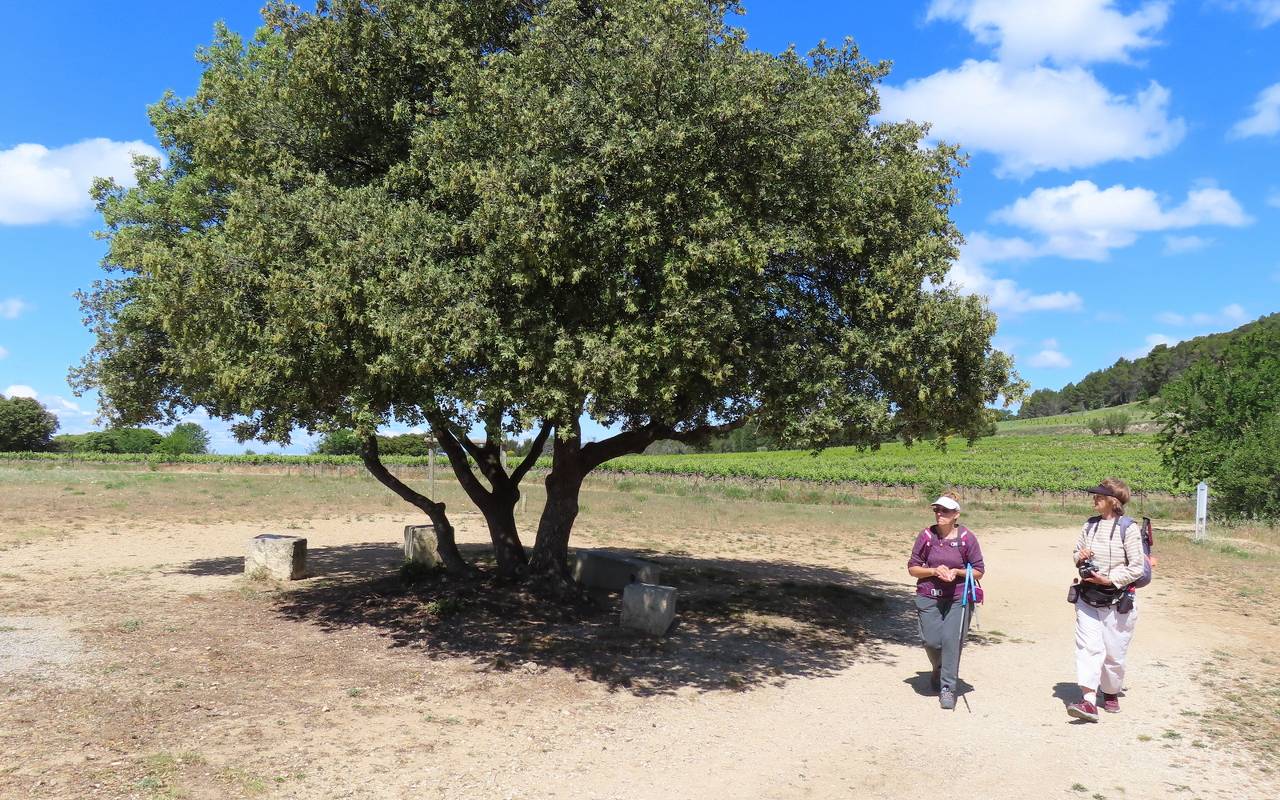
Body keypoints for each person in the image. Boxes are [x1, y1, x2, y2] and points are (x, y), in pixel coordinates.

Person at [1066, 478, 1146, 723]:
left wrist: (1109, 579)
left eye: (1100, 496)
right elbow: (1075, 555)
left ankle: (1110, 691)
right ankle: (1088, 701)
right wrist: (1080, 557)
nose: (1095, 498)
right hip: (1087, 598)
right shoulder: (1089, 526)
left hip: (1118, 599)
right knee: (1089, 649)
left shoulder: (1128, 528)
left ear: (1113, 500)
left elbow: (1137, 568)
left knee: (1114, 655)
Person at [907, 492, 985, 710]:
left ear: (956, 514)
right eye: (937, 510)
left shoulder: (967, 538)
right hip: (928, 595)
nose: (940, 514)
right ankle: (939, 669)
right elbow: (913, 568)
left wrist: (957, 572)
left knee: (952, 642)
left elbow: (978, 571)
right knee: (931, 641)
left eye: (945, 511)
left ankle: (947, 688)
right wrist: (933, 570)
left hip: (958, 599)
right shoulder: (926, 536)